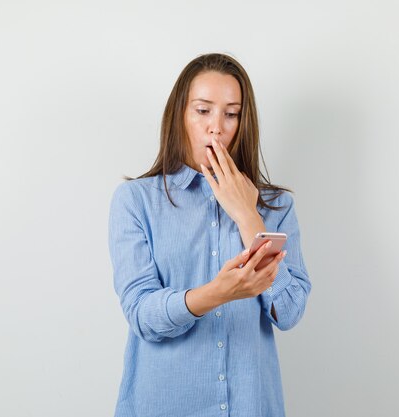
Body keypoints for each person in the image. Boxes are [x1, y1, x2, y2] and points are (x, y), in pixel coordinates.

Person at [108, 53, 312, 417]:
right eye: (203, 111)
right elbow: (141, 313)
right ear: (180, 116)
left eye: (230, 114)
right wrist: (215, 294)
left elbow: (290, 311)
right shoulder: (136, 201)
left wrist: (247, 215)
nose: (216, 126)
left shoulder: (276, 206)